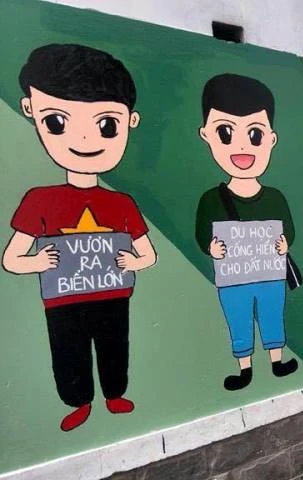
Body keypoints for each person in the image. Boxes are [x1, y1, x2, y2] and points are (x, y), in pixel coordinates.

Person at [1, 44, 157, 431]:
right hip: (62, 298)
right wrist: (37, 262)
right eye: (57, 122)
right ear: (30, 110)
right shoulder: (40, 200)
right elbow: (11, 259)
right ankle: (78, 402)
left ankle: (114, 394)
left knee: (114, 345)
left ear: (130, 122)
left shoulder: (122, 203)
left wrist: (134, 261)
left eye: (106, 126)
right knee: (68, 350)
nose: (86, 139)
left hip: (112, 294)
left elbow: (148, 254)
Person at [195, 73, 298, 391]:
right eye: (225, 133)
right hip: (233, 278)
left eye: (254, 134)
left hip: (269, 274)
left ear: (271, 139)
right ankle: (245, 369)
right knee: (238, 319)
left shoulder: (275, 198)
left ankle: (277, 361)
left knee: (272, 315)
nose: (242, 146)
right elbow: (202, 234)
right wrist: (211, 248)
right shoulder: (212, 199)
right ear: (206, 135)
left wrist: (284, 244)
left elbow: (289, 230)